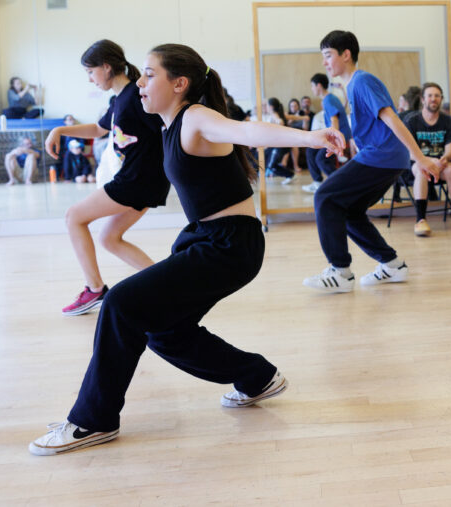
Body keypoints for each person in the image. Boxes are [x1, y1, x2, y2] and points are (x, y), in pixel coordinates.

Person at [28, 43, 346, 456]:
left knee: (121, 304)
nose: (139, 82)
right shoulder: (167, 124)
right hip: (205, 239)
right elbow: (113, 127)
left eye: (148, 74)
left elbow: (246, 130)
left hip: (230, 244)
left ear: (180, 84)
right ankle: (257, 376)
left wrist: (309, 136)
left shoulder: (196, 117)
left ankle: (93, 419)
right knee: (162, 330)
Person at [303, 30, 442, 293]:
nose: (324, 62)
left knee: (324, 197)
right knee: (349, 211)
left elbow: (392, 118)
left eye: (328, 55)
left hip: (383, 156)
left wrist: (420, 158)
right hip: (385, 157)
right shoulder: (352, 87)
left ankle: (339, 271)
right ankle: (392, 265)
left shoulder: (362, 81)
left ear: (346, 54)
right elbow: (371, 128)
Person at [44, 40, 170, 316]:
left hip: (137, 180)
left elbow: (168, 124)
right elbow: (97, 129)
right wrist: (60, 130)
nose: (90, 79)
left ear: (106, 67)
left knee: (73, 217)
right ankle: (166, 286)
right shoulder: (120, 98)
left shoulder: (137, 95)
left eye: (91, 72)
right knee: (109, 238)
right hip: (144, 181)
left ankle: (94, 289)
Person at [402, 82, 451, 235]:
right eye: (430, 96)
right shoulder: (412, 122)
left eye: (437, 96)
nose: (434, 99)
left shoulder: (448, 121)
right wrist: (426, 161)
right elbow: (409, 151)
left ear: (441, 99)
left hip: (441, 164)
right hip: (418, 163)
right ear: (423, 99)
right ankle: (420, 220)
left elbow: (450, 150)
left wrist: (442, 160)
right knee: (421, 171)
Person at [302, 72, 352, 194]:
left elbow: (334, 120)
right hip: (338, 134)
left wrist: (333, 140)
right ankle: (318, 182)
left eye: (312, 86)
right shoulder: (330, 98)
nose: (312, 89)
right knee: (310, 150)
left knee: (321, 159)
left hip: (339, 135)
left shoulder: (328, 100)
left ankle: (342, 184)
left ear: (319, 85)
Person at [262, 97, 295, 184]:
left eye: (266, 106)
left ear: (271, 107)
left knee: (271, 166)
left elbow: (279, 121)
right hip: (280, 145)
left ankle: (289, 175)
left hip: (280, 146)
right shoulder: (280, 114)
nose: (265, 107)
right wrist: (304, 117)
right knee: (270, 164)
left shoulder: (274, 114)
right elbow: (291, 116)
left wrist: (280, 124)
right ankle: (289, 175)